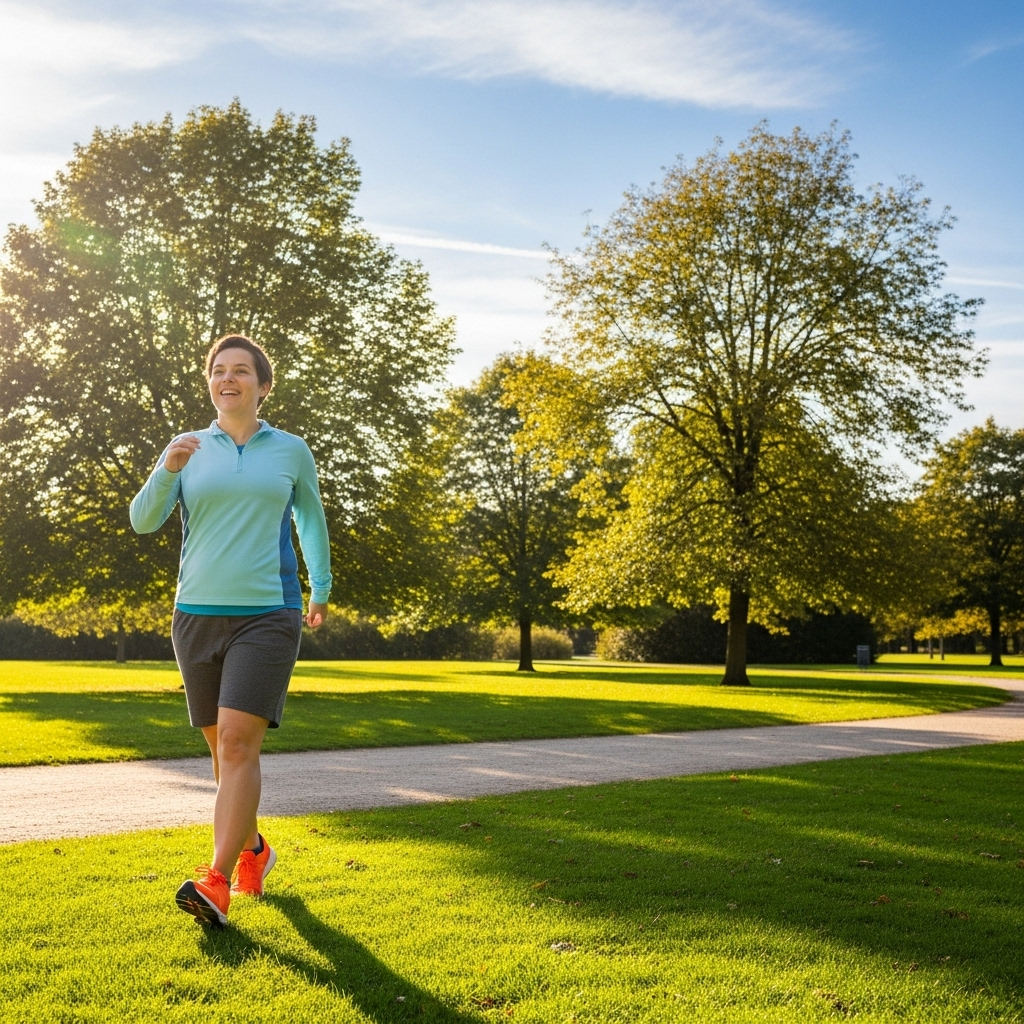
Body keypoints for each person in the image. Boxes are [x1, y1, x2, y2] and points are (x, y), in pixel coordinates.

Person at [130, 334, 331, 927]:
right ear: (210, 383)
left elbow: (310, 519)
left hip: (268, 613)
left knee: (241, 745)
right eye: (219, 370)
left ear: (262, 386)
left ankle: (216, 882)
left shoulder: (290, 451)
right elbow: (143, 522)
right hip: (195, 615)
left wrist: (320, 586)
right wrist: (166, 469)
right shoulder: (187, 449)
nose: (228, 379)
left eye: (241, 371)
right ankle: (254, 850)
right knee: (223, 754)